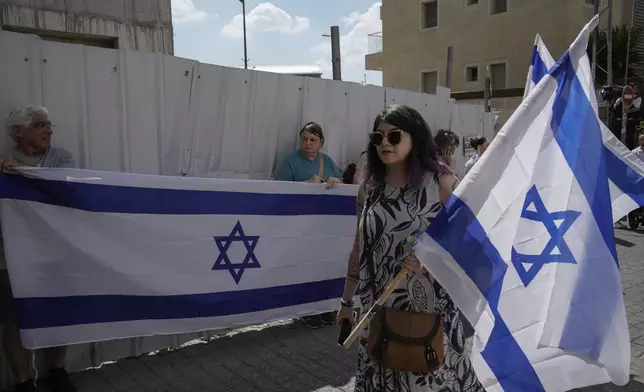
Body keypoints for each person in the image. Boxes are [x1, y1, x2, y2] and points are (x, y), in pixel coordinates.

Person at [336, 105, 483, 391]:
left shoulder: (441, 182)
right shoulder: (370, 187)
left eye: (394, 136)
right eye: (378, 137)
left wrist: (431, 259)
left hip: (427, 311)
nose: (385, 144)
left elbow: (469, 241)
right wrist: (345, 302)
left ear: (414, 137)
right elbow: (359, 244)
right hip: (377, 309)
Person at [0, 105, 77, 392]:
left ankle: (57, 371)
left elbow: (64, 190)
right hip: (11, 255)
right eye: (40, 125)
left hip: (55, 251)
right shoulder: (1, 163)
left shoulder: (60, 158)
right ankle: (23, 382)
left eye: (48, 124)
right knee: (14, 320)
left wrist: (20, 173)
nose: (48, 130)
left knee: (58, 312)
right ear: (18, 132)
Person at [275, 122, 342, 328]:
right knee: (302, 266)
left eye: (313, 139)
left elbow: (340, 182)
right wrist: (305, 186)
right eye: (304, 139)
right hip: (298, 225)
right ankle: (306, 309)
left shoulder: (327, 161)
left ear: (320, 142)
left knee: (323, 265)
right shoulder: (291, 163)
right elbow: (277, 192)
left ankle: (324, 307)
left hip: (321, 226)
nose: (308, 143)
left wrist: (334, 181)